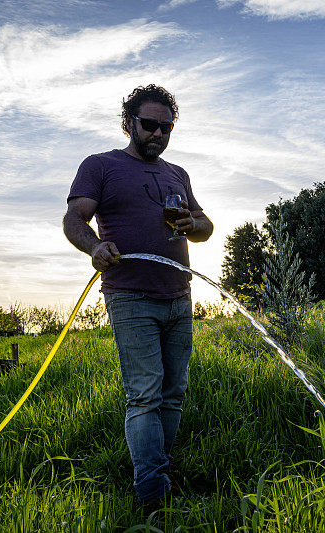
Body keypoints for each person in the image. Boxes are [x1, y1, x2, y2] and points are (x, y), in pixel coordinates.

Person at [62, 84, 213, 508]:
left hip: (180, 296)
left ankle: (160, 474)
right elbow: (74, 218)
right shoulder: (100, 166)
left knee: (173, 393)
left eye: (167, 127)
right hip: (130, 297)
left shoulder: (177, 174)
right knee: (145, 393)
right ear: (129, 123)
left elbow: (206, 228)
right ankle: (152, 495)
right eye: (150, 125)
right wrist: (94, 247)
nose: (158, 134)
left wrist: (191, 224)